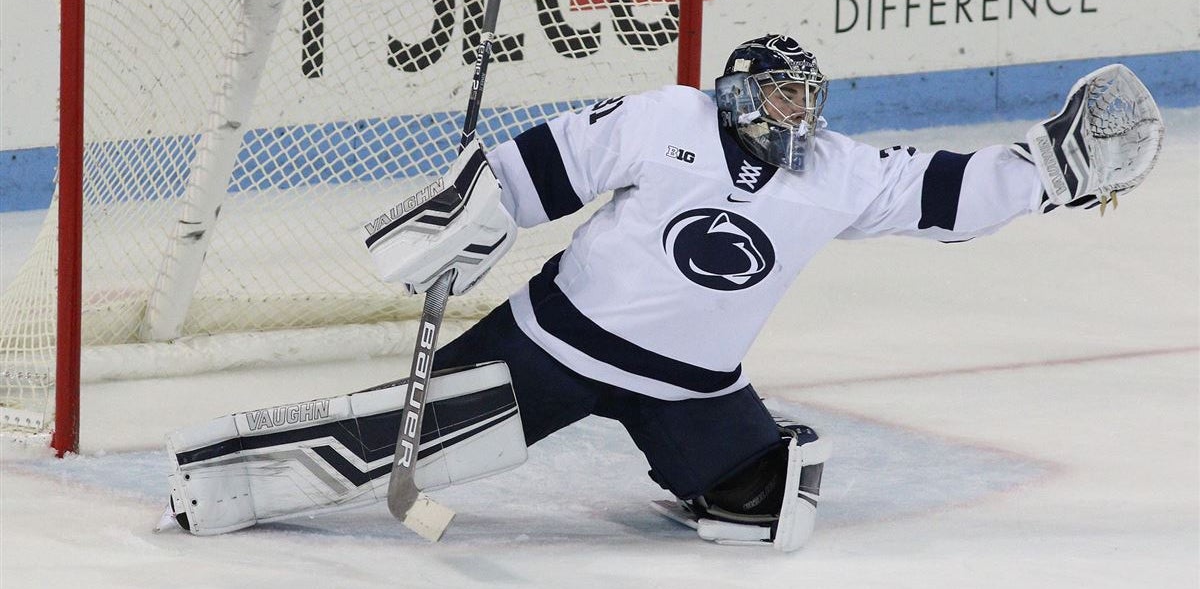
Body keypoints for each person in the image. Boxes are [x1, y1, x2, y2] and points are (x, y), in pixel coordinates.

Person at [163, 35, 1161, 550]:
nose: (796, 112)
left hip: (693, 387)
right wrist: (458, 223)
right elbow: (536, 170)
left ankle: (697, 469)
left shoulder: (835, 171)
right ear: (735, 92)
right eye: (779, 94)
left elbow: (941, 192)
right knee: (404, 441)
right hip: (554, 349)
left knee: (768, 506)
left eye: (807, 97)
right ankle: (224, 469)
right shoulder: (663, 120)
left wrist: (1051, 169)